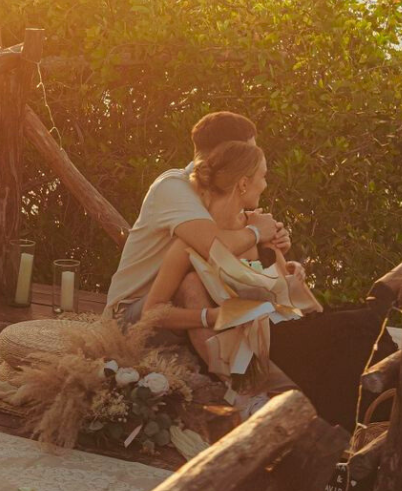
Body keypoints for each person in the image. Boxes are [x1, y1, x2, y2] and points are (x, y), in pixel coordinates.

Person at [106, 112, 289, 354]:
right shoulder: (174, 187)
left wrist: (273, 246)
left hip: (182, 307)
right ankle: (231, 378)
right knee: (192, 283)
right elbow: (214, 248)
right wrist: (256, 232)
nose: (253, 159)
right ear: (228, 152)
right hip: (132, 315)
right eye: (249, 151)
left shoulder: (222, 195)